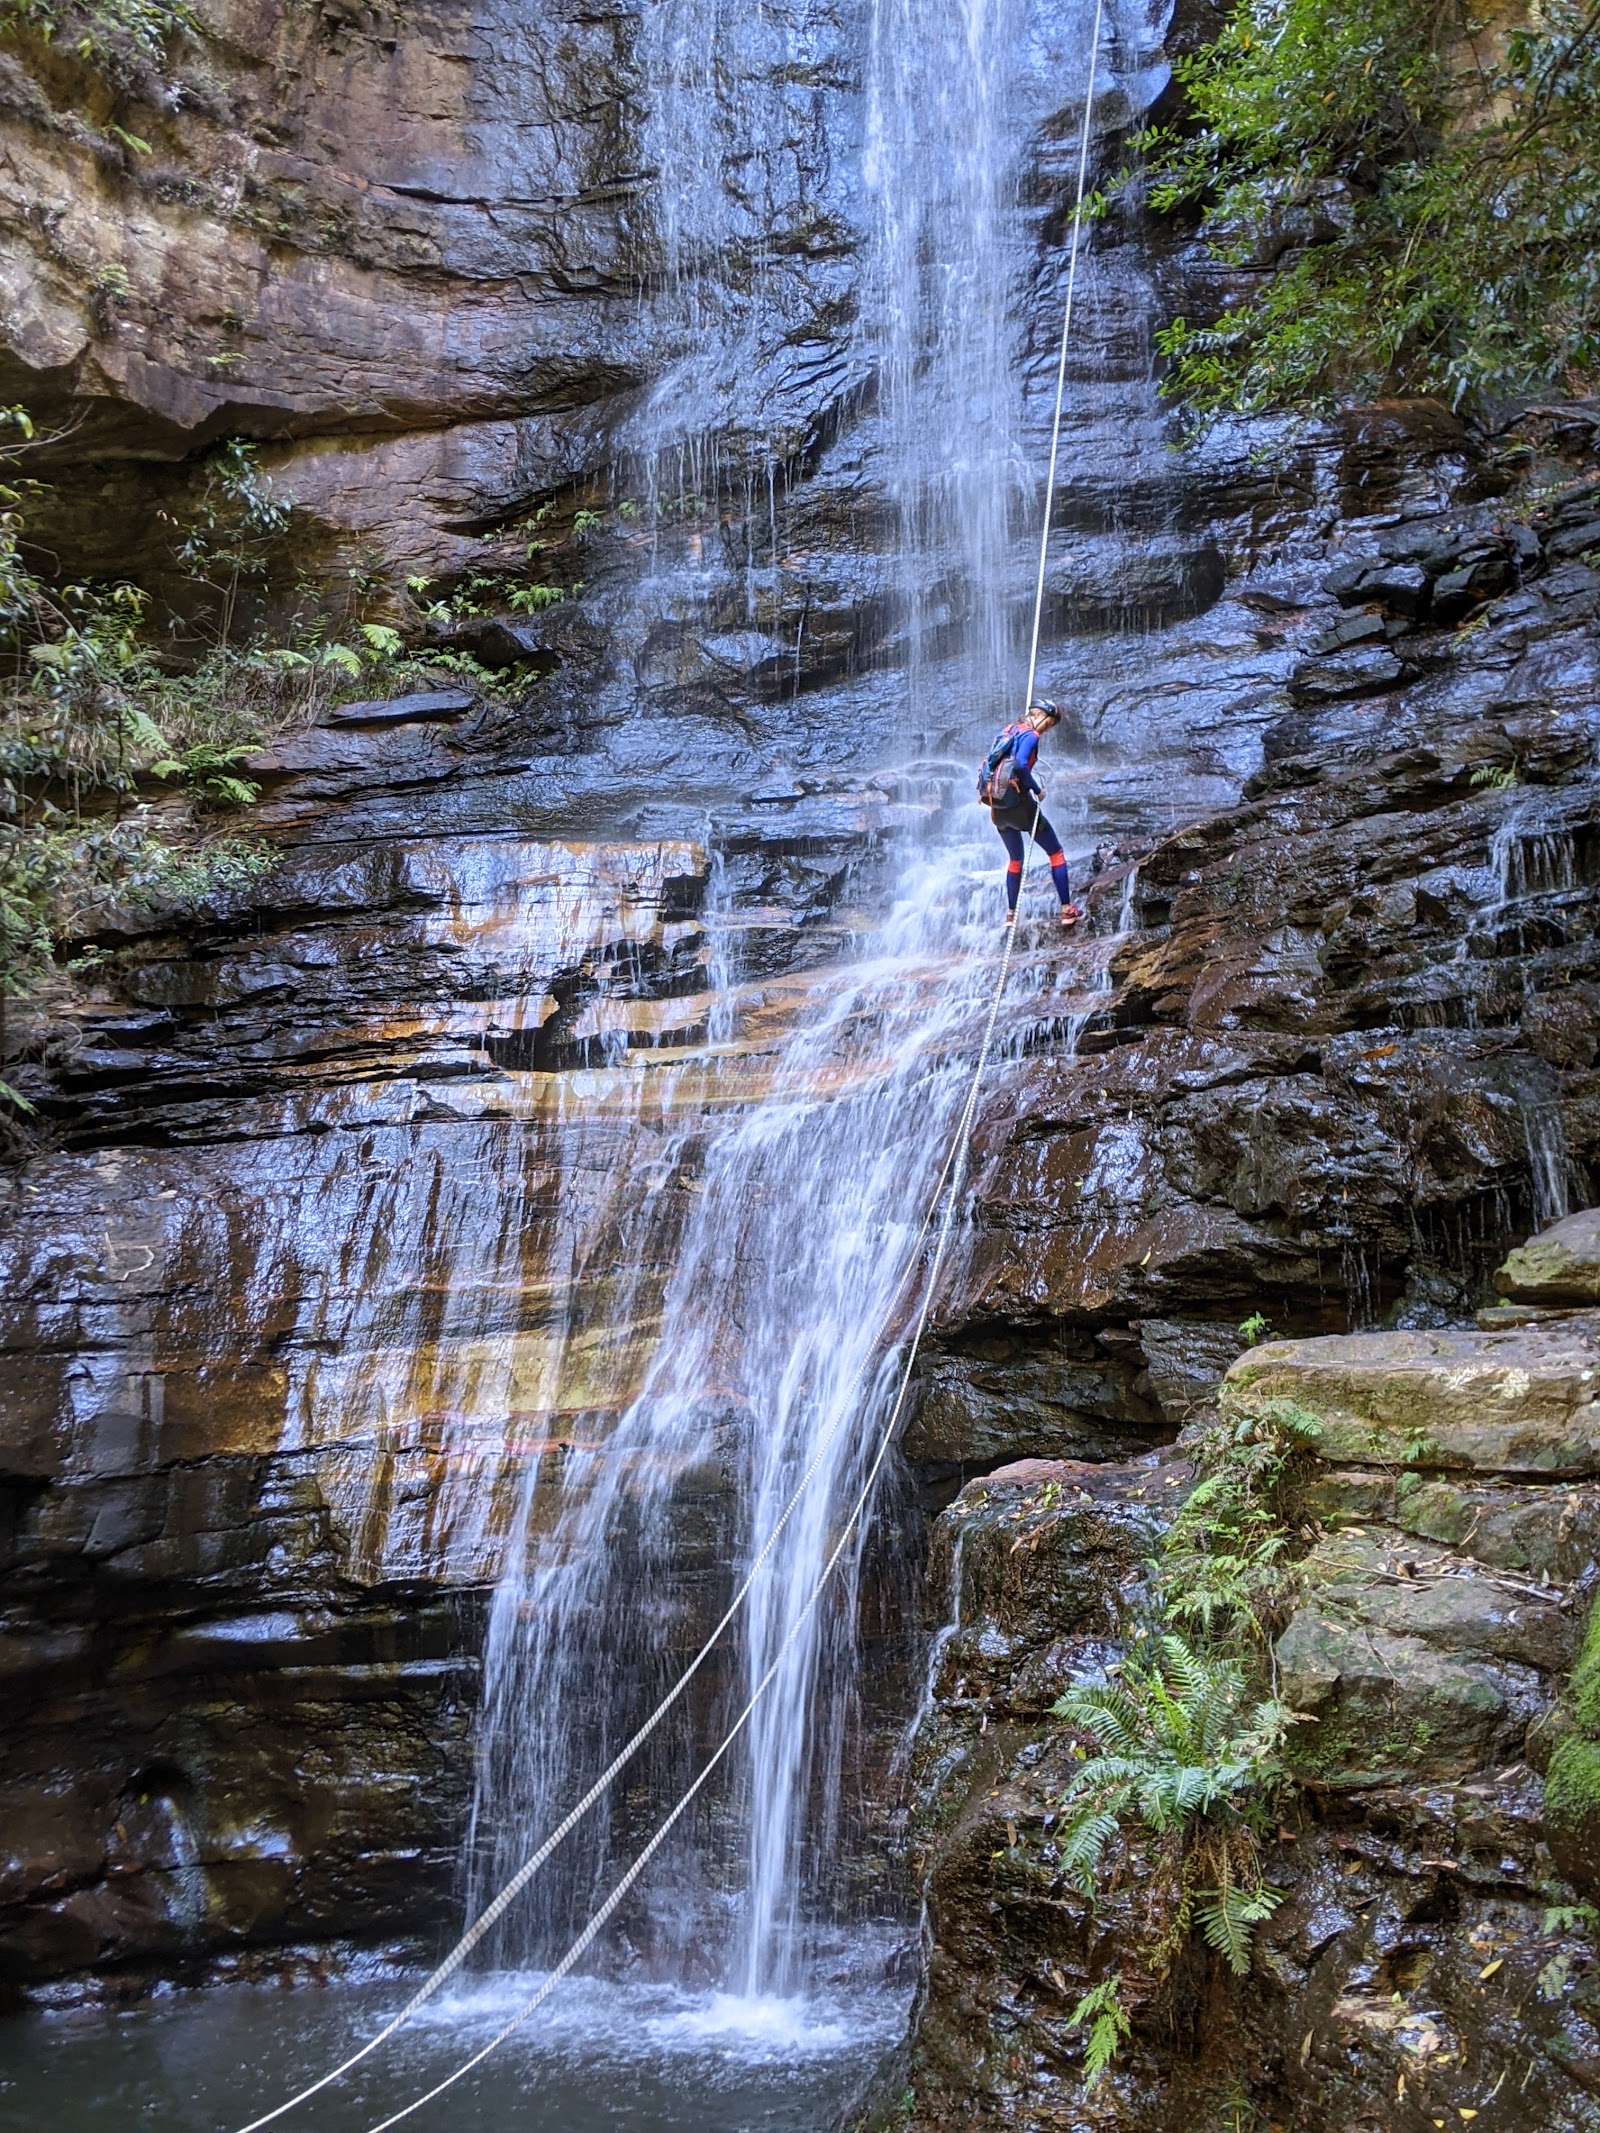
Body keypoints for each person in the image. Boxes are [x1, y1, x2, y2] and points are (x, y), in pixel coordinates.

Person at [976, 700, 1081, 928]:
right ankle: (1067, 910)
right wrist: (1037, 790)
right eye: (1049, 724)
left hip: (998, 808)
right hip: (1020, 807)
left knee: (1015, 860)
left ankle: (1011, 915)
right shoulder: (1031, 735)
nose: (1047, 730)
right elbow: (1022, 765)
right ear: (1040, 716)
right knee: (1056, 852)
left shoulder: (1006, 731)